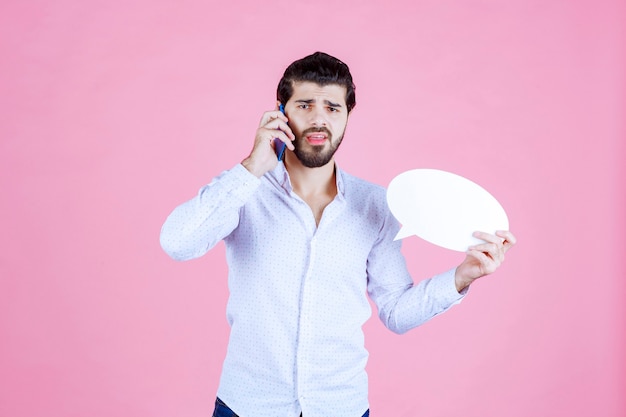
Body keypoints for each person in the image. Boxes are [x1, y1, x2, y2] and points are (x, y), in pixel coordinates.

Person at [160, 51, 516, 417]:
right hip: (247, 405)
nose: (318, 119)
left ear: (348, 116)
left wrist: (461, 276)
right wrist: (252, 166)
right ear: (280, 112)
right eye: (304, 105)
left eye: (332, 107)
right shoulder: (245, 190)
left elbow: (395, 311)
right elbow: (178, 243)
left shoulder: (375, 205)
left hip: (340, 406)